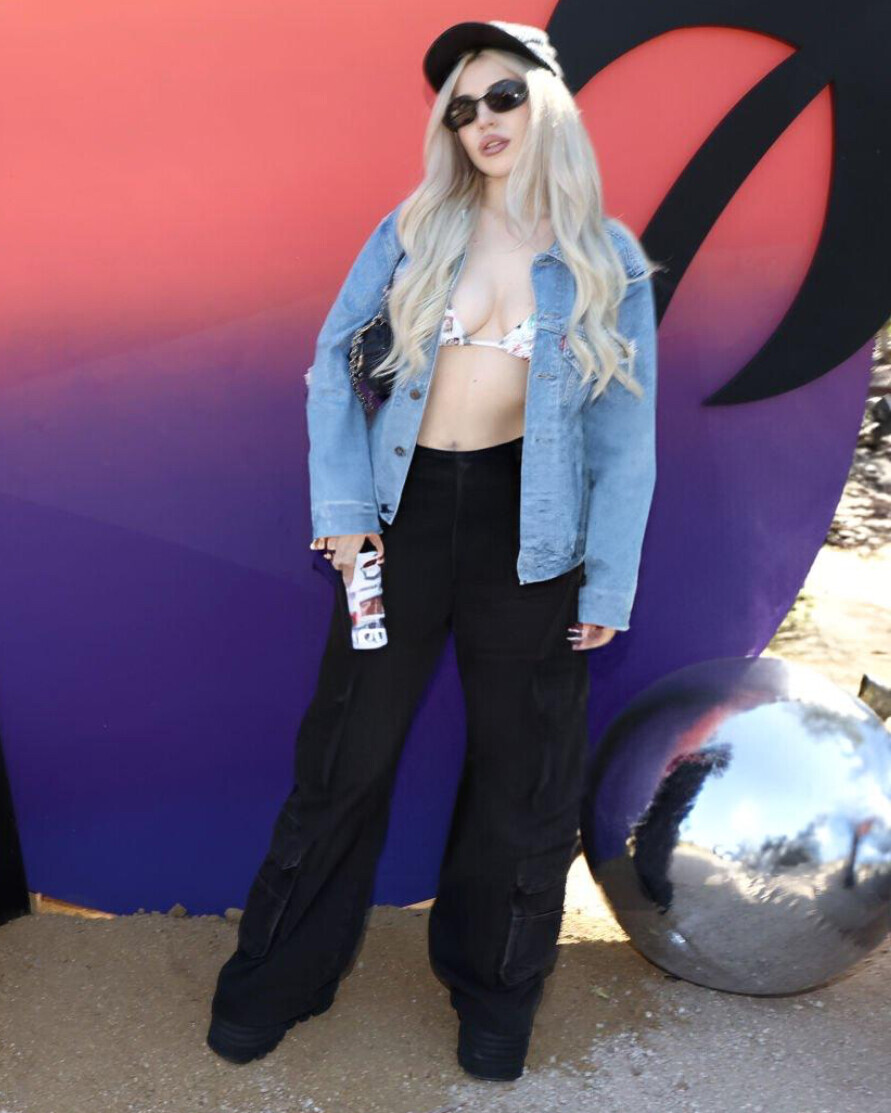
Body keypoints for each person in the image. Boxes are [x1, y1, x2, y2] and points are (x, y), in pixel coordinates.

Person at [207, 19, 660, 1082]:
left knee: (524, 776)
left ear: (548, 102)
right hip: (400, 517)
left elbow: (624, 438)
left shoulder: (607, 259)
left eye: (502, 96)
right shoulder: (414, 229)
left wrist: (607, 580)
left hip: (530, 532)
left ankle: (495, 994)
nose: (481, 120)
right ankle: (274, 979)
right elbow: (335, 363)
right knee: (344, 758)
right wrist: (342, 505)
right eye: (460, 109)